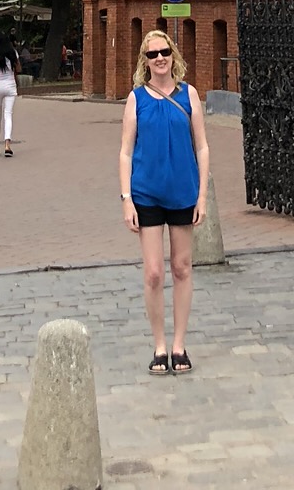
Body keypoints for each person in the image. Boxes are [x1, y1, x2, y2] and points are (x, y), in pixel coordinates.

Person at [119, 30, 209, 376]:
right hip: (147, 193)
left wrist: (202, 195)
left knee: (182, 267)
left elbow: (202, 146)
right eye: (152, 54)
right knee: (154, 272)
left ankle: (179, 344)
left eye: (164, 52)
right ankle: (159, 344)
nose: (159, 58)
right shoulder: (136, 98)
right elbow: (126, 152)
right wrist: (127, 199)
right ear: (145, 61)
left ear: (173, 55)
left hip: (183, 191)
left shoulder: (189, 94)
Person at [0, 27, 20, 157]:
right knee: (8, 115)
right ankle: (7, 145)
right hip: (10, 85)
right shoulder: (13, 53)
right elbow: (19, 68)